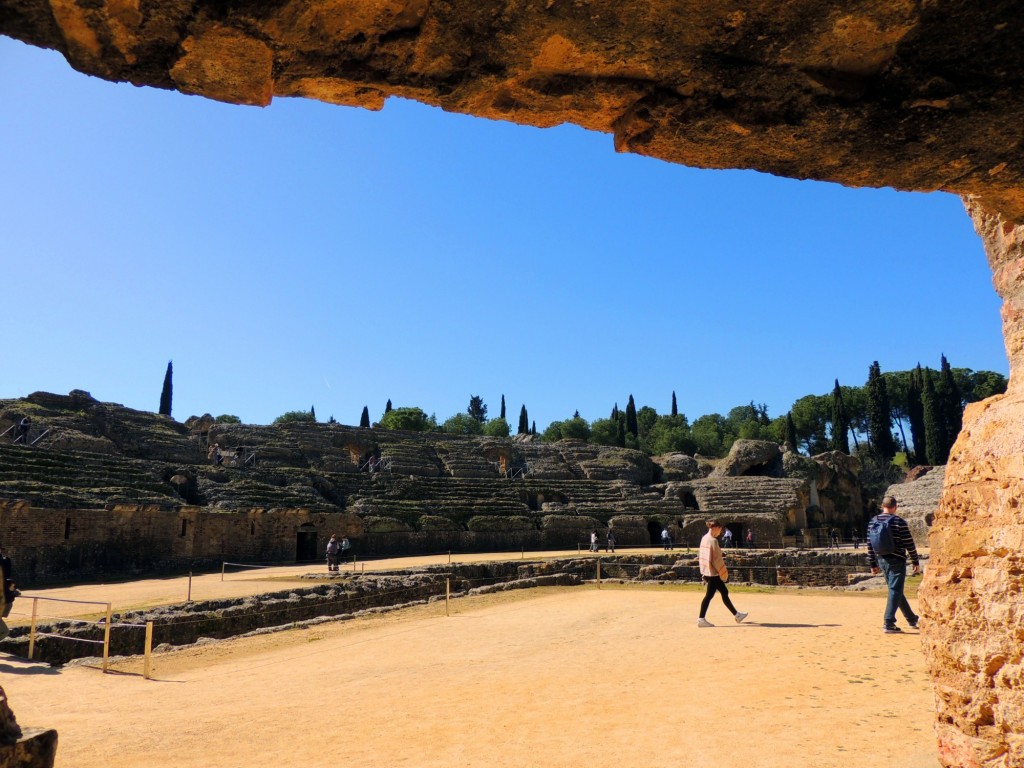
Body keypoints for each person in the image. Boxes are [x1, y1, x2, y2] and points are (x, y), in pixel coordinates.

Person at [867, 496, 921, 634]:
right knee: (895, 590)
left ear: (882, 506)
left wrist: (872, 563)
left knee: (895, 590)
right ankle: (889, 622)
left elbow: (870, 544)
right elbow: (909, 543)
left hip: (881, 559)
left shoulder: (873, 521)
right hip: (897, 560)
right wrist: (915, 560)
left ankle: (912, 619)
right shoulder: (898, 521)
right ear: (895, 507)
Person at [697, 520, 748, 627]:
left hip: (707, 570)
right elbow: (717, 560)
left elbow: (703, 555)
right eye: (720, 530)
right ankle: (701, 619)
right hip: (713, 572)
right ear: (715, 528)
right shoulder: (713, 540)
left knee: (724, 592)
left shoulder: (704, 538)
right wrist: (723, 572)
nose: (720, 532)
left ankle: (737, 615)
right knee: (709, 596)